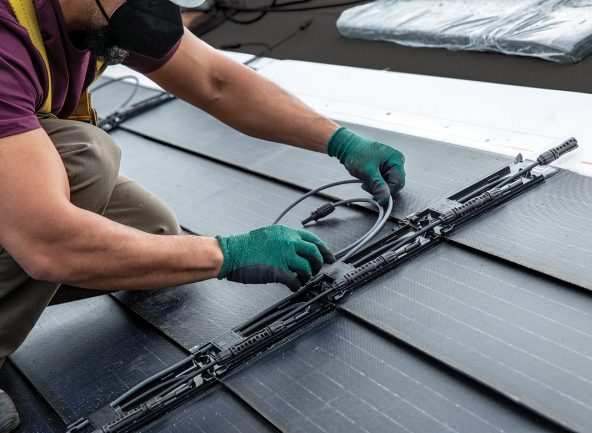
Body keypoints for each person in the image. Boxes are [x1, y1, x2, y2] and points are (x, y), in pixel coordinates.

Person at [0, 0, 406, 430]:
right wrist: (227, 254)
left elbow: (217, 81)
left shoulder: (98, 15)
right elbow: (49, 243)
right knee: (84, 160)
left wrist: (340, 141)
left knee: (149, 233)